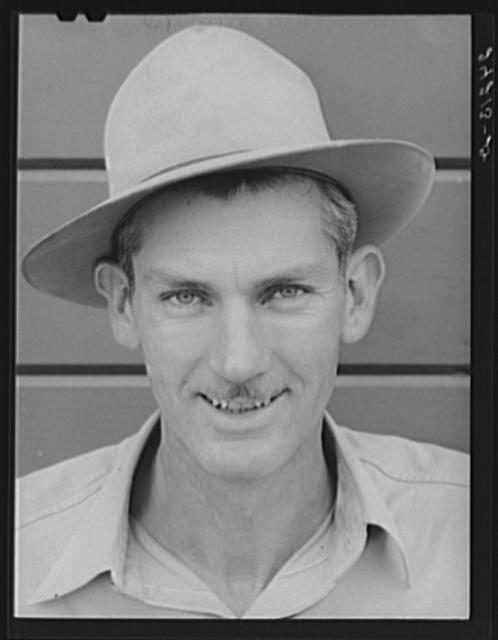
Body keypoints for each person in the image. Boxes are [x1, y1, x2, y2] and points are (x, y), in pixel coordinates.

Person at [16, 25, 469, 619]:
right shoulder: (20, 558)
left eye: (283, 291)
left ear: (354, 294)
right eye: (186, 297)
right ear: (124, 304)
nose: (239, 362)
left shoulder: (467, 538)